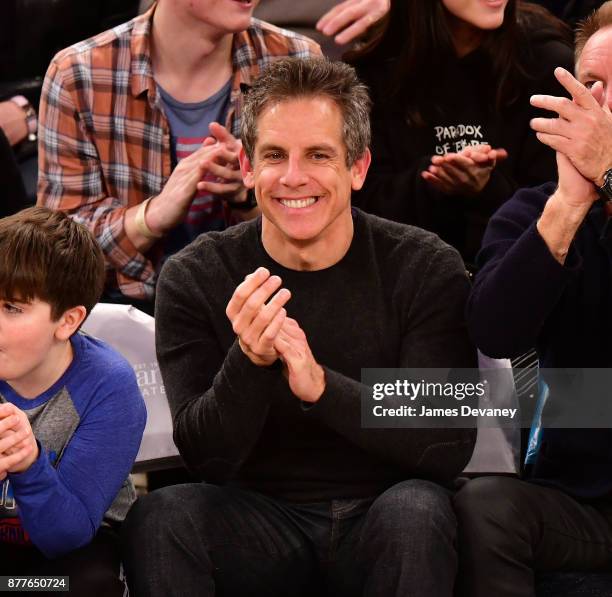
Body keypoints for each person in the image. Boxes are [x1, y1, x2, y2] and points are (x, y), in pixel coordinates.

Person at [121, 57, 477, 597]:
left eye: (318, 155)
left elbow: (445, 445)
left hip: (385, 513)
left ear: (357, 168)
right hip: (257, 520)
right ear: (246, 166)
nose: (293, 178)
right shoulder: (197, 275)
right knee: (164, 515)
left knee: (416, 512)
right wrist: (250, 361)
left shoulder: (423, 266)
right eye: (274, 156)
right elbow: (205, 458)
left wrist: (321, 388)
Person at [454, 3, 612, 595]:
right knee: (486, 507)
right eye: (588, 84)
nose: (598, 107)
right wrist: (570, 207)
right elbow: (494, 331)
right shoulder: (531, 211)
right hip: (582, 506)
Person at [37, 0, 321, 310]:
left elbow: (329, 232)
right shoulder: (78, 75)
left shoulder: (299, 62)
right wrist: (150, 219)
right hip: (129, 314)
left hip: (270, 306)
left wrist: (251, 198)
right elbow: (55, 257)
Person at [349, 0, 573, 268]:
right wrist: (433, 178)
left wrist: (488, 189)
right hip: (404, 280)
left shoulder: (550, 64)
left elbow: (563, 211)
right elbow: (360, 206)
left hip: (516, 275)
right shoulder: (372, 70)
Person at [0, 207, 146, 595]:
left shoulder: (107, 385)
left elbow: (68, 536)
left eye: (11, 308)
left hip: (73, 555)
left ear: (67, 321)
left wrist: (28, 464)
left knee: (82, 587)